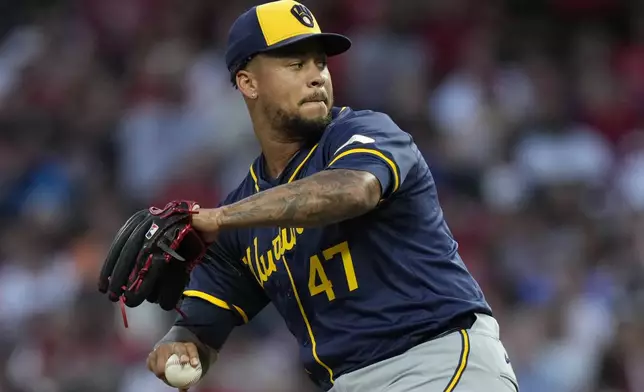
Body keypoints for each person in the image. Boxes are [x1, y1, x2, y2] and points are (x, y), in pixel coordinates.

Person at [143, 1, 519, 391]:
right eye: (295, 64)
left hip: (435, 359)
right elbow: (200, 329)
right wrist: (178, 348)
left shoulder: (364, 132)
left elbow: (354, 190)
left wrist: (221, 218)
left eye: (319, 63)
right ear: (247, 83)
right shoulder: (242, 215)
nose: (316, 77)